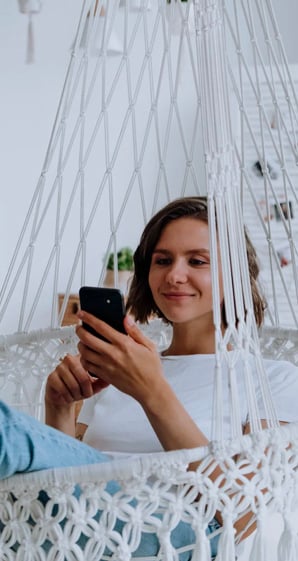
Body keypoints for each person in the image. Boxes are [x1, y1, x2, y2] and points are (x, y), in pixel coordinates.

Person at [1, 196, 298, 558]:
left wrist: (152, 391)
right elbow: (68, 480)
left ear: (235, 273)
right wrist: (59, 408)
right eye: (162, 260)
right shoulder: (127, 367)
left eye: (197, 261)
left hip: (173, 533)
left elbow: (241, 512)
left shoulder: (273, 379)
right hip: (78, 526)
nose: (174, 274)